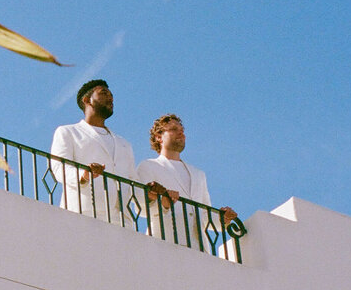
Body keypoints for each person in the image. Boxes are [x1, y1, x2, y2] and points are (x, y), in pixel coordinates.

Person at [50, 80, 162, 220]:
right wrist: (84, 174)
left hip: (122, 221)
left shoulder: (124, 144)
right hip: (82, 214)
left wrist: (149, 196)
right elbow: (58, 167)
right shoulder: (68, 132)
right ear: (87, 100)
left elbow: (132, 181)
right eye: (104, 93)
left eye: (111, 95)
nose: (110, 98)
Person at [137, 114, 238, 254]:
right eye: (173, 129)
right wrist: (164, 203)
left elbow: (204, 214)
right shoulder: (148, 166)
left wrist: (223, 219)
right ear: (158, 137)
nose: (181, 132)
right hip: (163, 244)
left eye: (182, 129)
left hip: (199, 250)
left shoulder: (198, 174)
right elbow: (140, 208)